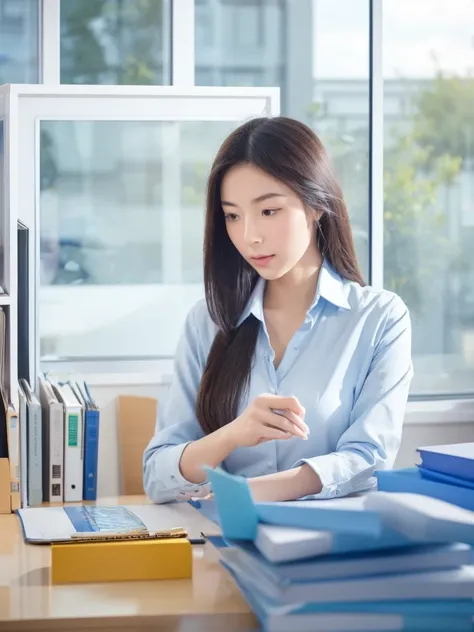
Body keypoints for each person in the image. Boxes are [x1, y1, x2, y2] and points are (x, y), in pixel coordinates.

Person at [143, 116, 413, 505]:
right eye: (233, 216)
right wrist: (234, 433)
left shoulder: (380, 318)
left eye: (268, 211)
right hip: (220, 544)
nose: (250, 235)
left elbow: (369, 458)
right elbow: (158, 473)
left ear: (316, 205)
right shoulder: (208, 322)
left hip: (327, 545)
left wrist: (245, 494)